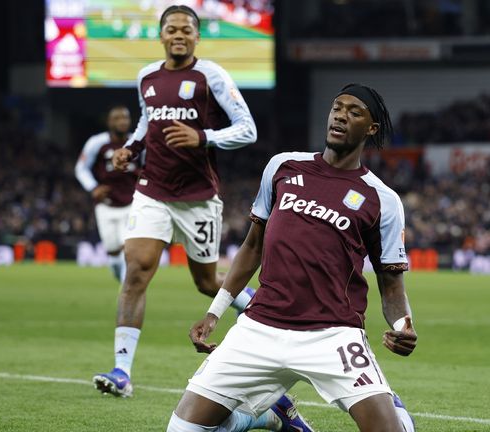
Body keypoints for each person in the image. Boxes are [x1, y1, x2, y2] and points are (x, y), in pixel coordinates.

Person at [166, 83, 418, 432]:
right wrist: (214, 313)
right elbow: (252, 247)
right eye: (337, 108)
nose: (341, 116)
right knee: (183, 429)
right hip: (259, 328)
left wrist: (403, 327)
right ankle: (265, 417)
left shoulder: (382, 200)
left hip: (332, 335)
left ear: (371, 128)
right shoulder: (282, 166)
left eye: (354, 112)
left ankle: (392, 408)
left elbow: (391, 285)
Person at [93, 5, 258, 397]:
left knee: (207, 283)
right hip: (152, 191)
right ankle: (122, 372)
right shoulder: (146, 77)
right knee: (136, 272)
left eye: (187, 29)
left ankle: (264, 310)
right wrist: (132, 149)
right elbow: (147, 122)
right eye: (172, 29)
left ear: (197, 36)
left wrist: (203, 137)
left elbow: (247, 129)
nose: (179, 34)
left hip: (198, 198)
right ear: (161, 35)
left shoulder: (210, 75)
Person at [75, 105, 139, 283]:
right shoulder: (97, 143)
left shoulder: (136, 141)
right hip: (106, 204)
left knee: (128, 247)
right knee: (112, 249)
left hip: (132, 202)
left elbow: (148, 164)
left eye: (125, 117)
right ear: (109, 122)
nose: (122, 121)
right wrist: (93, 187)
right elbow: (81, 168)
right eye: (117, 118)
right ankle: (119, 273)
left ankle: (127, 289)